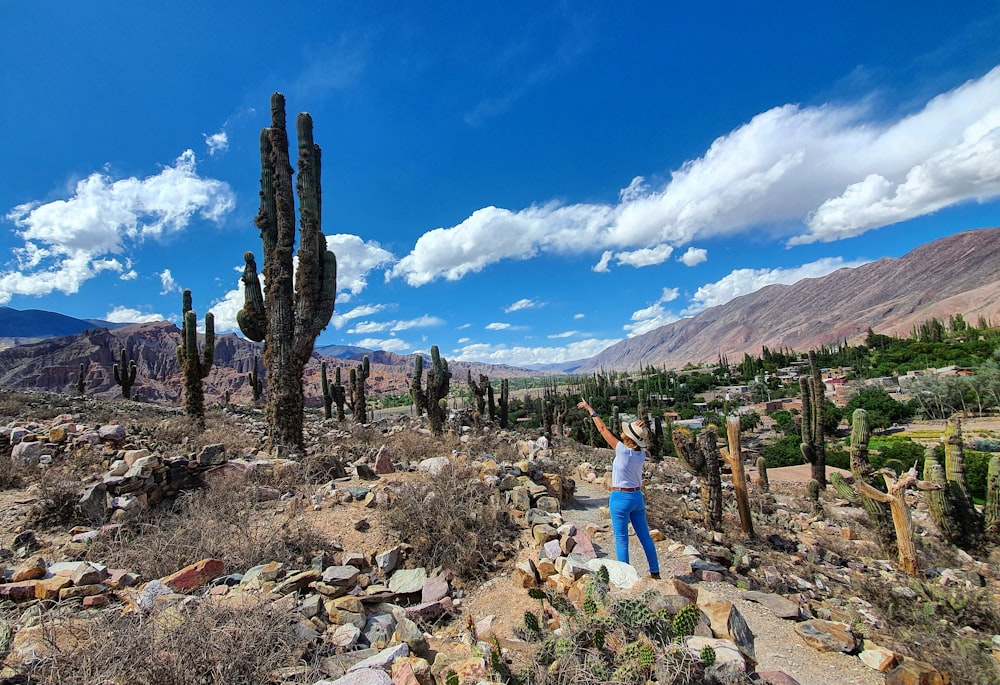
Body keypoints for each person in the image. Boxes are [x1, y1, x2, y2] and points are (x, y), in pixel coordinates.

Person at [577, 399, 661, 579]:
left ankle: (625, 577)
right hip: (637, 497)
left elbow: (602, 429)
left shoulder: (622, 450)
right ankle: (655, 573)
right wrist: (642, 429)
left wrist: (590, 409)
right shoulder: (641, 453)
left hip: (620, 497)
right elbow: (638, 438)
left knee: (622, 539)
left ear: (628, 437)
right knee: (645, 537)